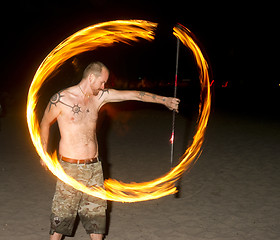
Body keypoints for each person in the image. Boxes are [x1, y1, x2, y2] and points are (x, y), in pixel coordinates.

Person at [40, 61, 180, 240]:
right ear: (91, 78)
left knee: (97, 217)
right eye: (102, 82)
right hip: (70, 168)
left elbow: (133, 95)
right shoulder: (61, 99)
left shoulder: (98, 97)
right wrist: (44, 152)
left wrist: (164, 100)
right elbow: (45, 122)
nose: (104, 86)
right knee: (61, 217)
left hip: (94, 168)